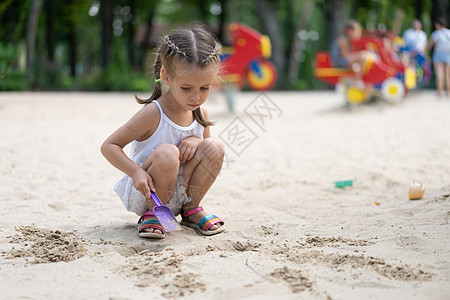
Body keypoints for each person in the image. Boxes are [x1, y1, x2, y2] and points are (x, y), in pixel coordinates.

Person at [101, 26, 225, 239]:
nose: (196, 97)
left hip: (182, 192)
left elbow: (205, 154)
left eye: (204, 88)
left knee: (215, 146)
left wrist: (196, 140)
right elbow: (109, 146)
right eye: (186, 88)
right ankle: (151, 215)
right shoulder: (153, 113)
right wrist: (136, 172)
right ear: (166, 77)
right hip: (148, 192)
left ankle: (191, 210)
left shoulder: (199, 113)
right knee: (168, 153)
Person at [330, 20, 372, 84]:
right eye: (357, 32)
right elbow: (344, 56)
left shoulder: (349, 41)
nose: (359, 34)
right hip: (339, 62)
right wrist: (358, 55)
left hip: (343, 61)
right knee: (362, 57)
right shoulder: (343, 41)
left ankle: (356, 80)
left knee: (360, 60)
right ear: (350, 32)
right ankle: (357, 81)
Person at [426, 17, 450, 98]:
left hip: (438, 54)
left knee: (440, 74)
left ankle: (440, 93)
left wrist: (425, 52)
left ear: (438, 25)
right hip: (448, 54)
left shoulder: (436, 34)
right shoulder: (449, 33)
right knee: (447, 75)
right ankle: (448, 93)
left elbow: (429, 45)